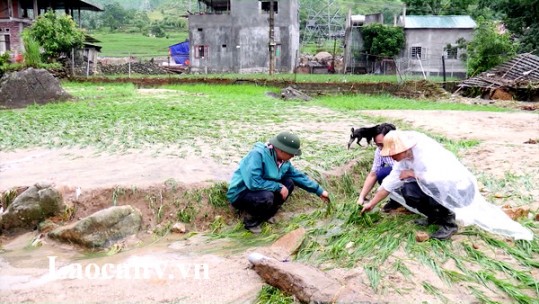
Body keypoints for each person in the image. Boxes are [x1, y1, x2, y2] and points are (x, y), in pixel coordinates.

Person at [359, 130, 533, 241]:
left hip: (459, 189)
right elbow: (388, 184)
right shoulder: (403, 159)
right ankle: (434, 217)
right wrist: (371, 204)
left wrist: (413, 174)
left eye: (393, 153)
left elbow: (441, 178)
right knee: (408, 191)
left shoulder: (425, 152)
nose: (391, 157)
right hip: (439, 186)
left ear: (402, 149)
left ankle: (449, 224)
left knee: (425, 188)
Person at [227, 131, 330, 233]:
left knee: (289, 183)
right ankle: (251, 221)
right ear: (281, 150)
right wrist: (278, 187)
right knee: (267, 197)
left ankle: (266, 215)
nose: (293, 156)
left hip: (262, 189)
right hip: (242, 192)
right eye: (291, 153)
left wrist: (320, 191)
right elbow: (253, 182)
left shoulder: (284, 162)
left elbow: (298, 176)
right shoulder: (257, 154)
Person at [356, 123, 402, 212]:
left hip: (412, 177)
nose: (380, 148)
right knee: (381, 174)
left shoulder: (403, 148)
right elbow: (373, 174)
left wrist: (372, 203)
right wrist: (361, 197)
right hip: (397, 175)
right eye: (377, 145)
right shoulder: (379, 151)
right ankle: (396, 201)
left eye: (382, 144)